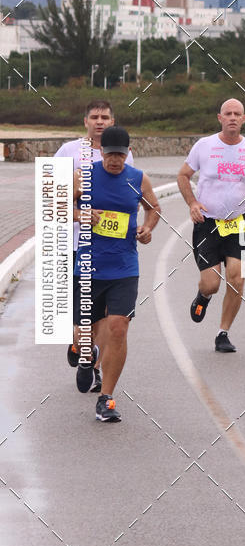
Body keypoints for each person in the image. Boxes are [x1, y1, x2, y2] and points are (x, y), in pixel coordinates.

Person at [73, 126, 160, 422]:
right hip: (88, 265)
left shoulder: (137, 178)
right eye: (110, 155)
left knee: (118, 327)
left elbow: (153, 208)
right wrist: (80, 214)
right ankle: (87, 359)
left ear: (126, 154)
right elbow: (57, 204)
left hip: (124, 267)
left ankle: (106, 398)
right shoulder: (84, 175)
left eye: (120, 156)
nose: (115, 161)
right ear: (101, 152)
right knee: (85, 331)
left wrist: (147, 228)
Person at [177, 98, 245, 353]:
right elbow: (183, 175)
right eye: (227, 113)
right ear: (220, 118)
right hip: (207, 224)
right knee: (211, 283)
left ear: (243, 119)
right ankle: (203, 296)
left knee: (237, 279)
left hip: (238, 223)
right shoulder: (204, 146)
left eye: (237, 114)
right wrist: (192, 202)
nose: (232, 117)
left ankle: (223, 333)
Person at [55, 100, 134, 393]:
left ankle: (93, 364)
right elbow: (53, 197)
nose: (100, 122)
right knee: (81, 315)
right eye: (94, 117)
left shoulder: (126, 153)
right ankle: (81, 344)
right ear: (85, 120)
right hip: (76, 243)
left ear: (112, 121)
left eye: (105, 117)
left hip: (108, 249)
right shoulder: (68, 151)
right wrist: (79, 215)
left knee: (102, 314)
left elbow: (130, 195)